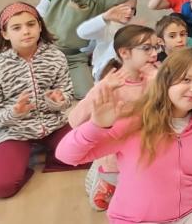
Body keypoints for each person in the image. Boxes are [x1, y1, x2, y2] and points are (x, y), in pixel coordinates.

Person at [56, 48, 192, 224]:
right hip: (136, 220)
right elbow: (67, 156)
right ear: (166, 81)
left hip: (191, 213)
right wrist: (96, 126)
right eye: (186, 79)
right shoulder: (134, 120)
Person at [0, 2, 76, 199]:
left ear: (40, 26)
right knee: (2, 188)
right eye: (17, 27)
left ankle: (48, 152)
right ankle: (28, 159)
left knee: (91, 154)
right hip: (14, 132)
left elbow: (67, 95)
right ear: (5, 33)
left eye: (31, 24)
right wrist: (13, 113)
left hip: (53, 126)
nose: (26, 31)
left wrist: (58, 101)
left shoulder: (56, 57)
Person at [45, 0, 155, 98]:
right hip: (47, 50)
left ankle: (65, 80)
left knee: (89, 94)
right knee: (38, 89)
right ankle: (60, 80)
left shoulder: (101, 0)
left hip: (75, 56)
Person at [68, 25, 159, 210]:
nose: (155, 53)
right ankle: (102, 174)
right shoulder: (112, 84)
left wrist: (159, 82)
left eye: (157, 47)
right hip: (116, 158)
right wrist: (99, 90)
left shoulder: (155, 76)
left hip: (148, 153)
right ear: (125, 53)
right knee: (101, 206)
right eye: (147, 48)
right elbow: (74, 120)